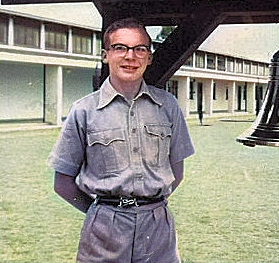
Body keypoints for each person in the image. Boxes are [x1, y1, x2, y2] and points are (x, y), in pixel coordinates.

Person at [48, 18, 195, 263]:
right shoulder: (84, 110)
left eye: (140, 49)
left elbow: (177, 173)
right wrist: (104, 212)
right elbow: (62, 183)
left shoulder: (168, 105)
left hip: (158, 232)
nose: (130, 56)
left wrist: (147, 207)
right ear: (106, 55)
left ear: (149, 57)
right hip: (104, 232)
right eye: (120, 48)